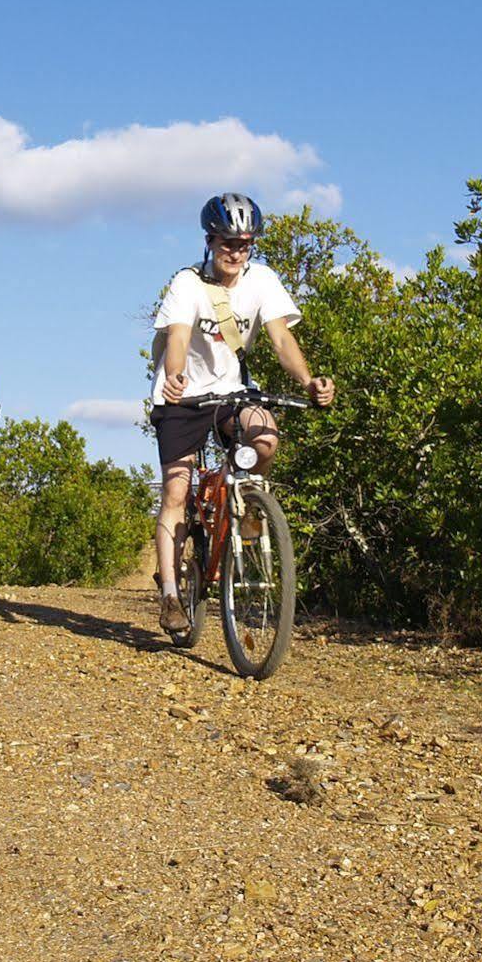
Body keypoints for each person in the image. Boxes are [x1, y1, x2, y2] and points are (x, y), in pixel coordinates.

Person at [149, 193, 334, 633]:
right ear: (210, 241)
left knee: (265, 438)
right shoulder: (187, 284)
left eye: (245, 243)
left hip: (233, 393)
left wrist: (309, 382)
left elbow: (282, 341)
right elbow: (176, 337)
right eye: (227, 242)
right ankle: (172, 596)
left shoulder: (263, 281)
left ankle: (246, 505)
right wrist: (174, 376)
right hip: (183, 399)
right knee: (177, 492)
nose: (235, 252)